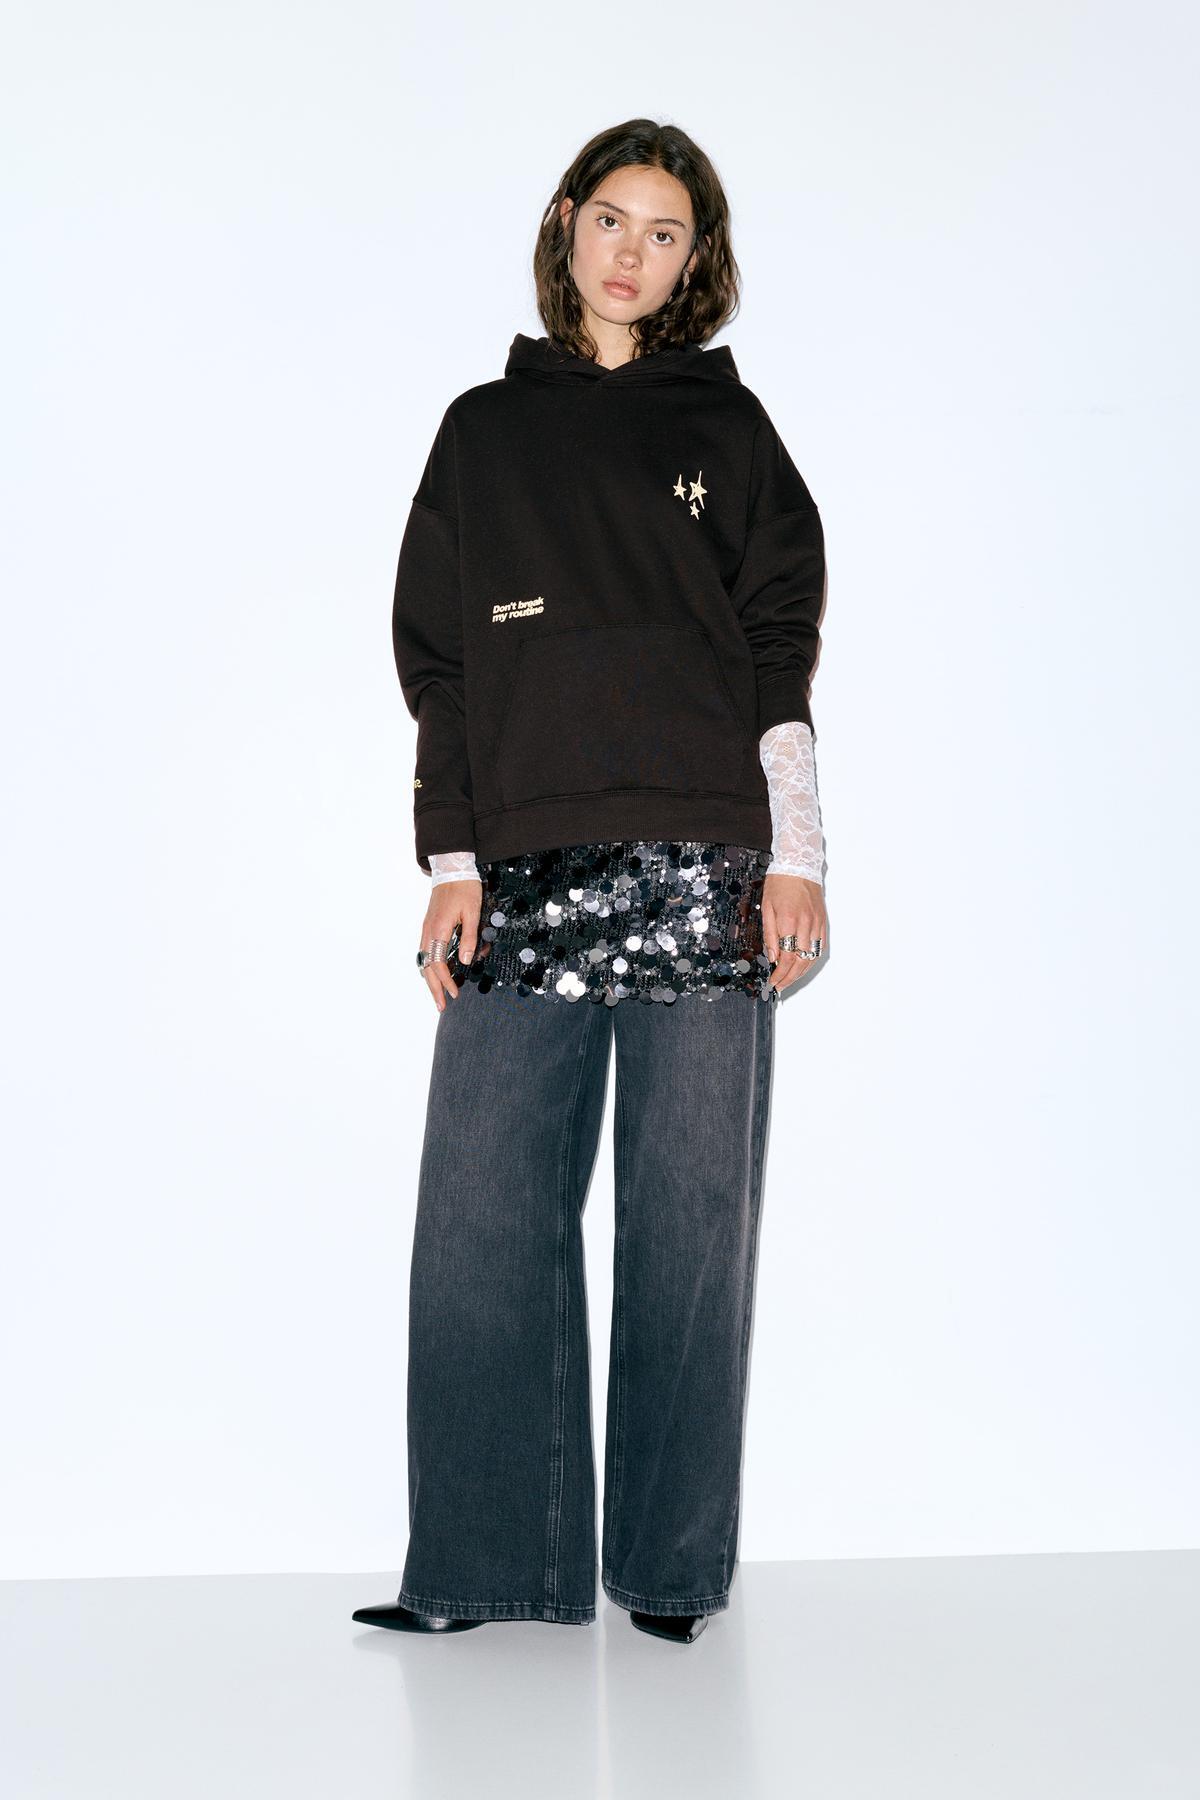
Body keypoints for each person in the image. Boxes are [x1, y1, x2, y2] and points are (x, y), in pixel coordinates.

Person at [353, 118, 828, 1648]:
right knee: (483, 1215)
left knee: (690, 1227)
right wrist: (451, 859)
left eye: (666, 233)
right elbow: (439, 661)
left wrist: (798, 856)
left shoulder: (728, 431)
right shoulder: (485, 430)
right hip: (527, 861)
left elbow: (779, 649)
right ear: (566, 224)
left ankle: (671, 1575)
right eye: (613, 219)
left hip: (704, 858)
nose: (633, 253)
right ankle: (489, 1565)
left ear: (697, 262)